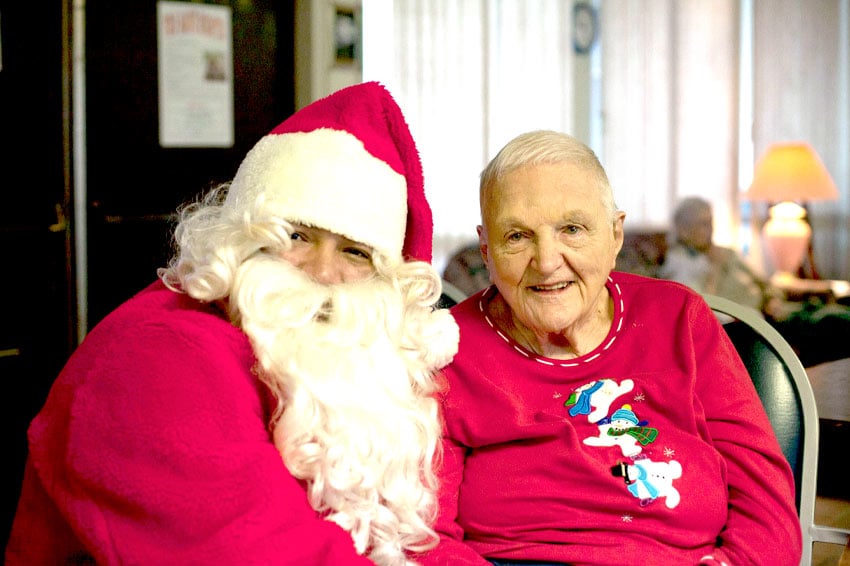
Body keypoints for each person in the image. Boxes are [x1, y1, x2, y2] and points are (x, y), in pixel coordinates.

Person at [5, 82, 460, 565]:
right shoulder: (156, 357)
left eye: (355, 252)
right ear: (241, 235)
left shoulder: (367, 367)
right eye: (297, 235)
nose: (323, 274)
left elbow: (427, 541)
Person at [414, 130, 801, 565]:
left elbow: (767, 512)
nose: (546, 262)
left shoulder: (680, 320)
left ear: (615, 235)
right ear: (486, 249)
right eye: (517, 236)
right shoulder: (445, 346)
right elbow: (423, 536)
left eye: (572, 229)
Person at [658, 195, 780, 316]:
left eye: (710, 222)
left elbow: (763, 282)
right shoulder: (679, 264)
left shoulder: (726, 252)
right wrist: (716, 267)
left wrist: (772, 299)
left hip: (767, 314)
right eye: (703, 224)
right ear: (683, 231)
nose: (711, 229)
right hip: (739, 324)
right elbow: (703, 310)